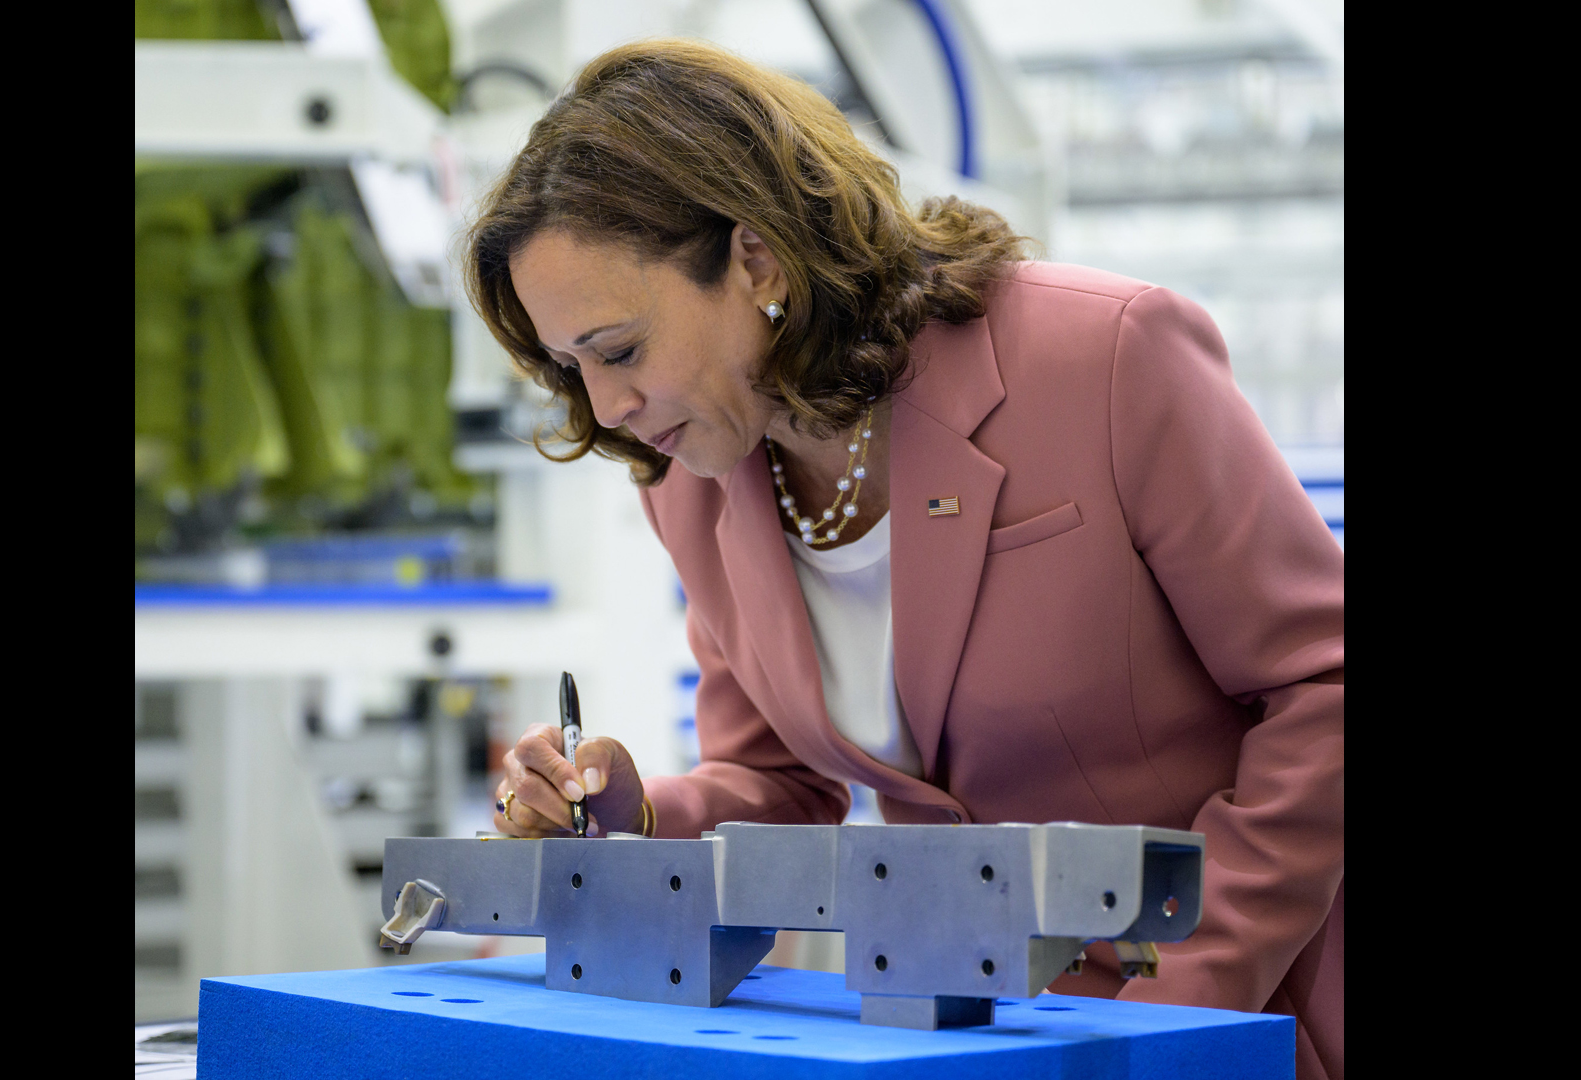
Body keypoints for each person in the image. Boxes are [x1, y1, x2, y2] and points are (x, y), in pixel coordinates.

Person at [464, 40, 1342, 1080]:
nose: (606, 409)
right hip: (988, 1027)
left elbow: (1321, 688)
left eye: (618, 352)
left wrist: (1181, 1005)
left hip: (1258, 1002)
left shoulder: (1108, 358)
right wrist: (636, 808)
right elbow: (782, 783)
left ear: (756, 261)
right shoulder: (694, 481)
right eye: (572, 369)